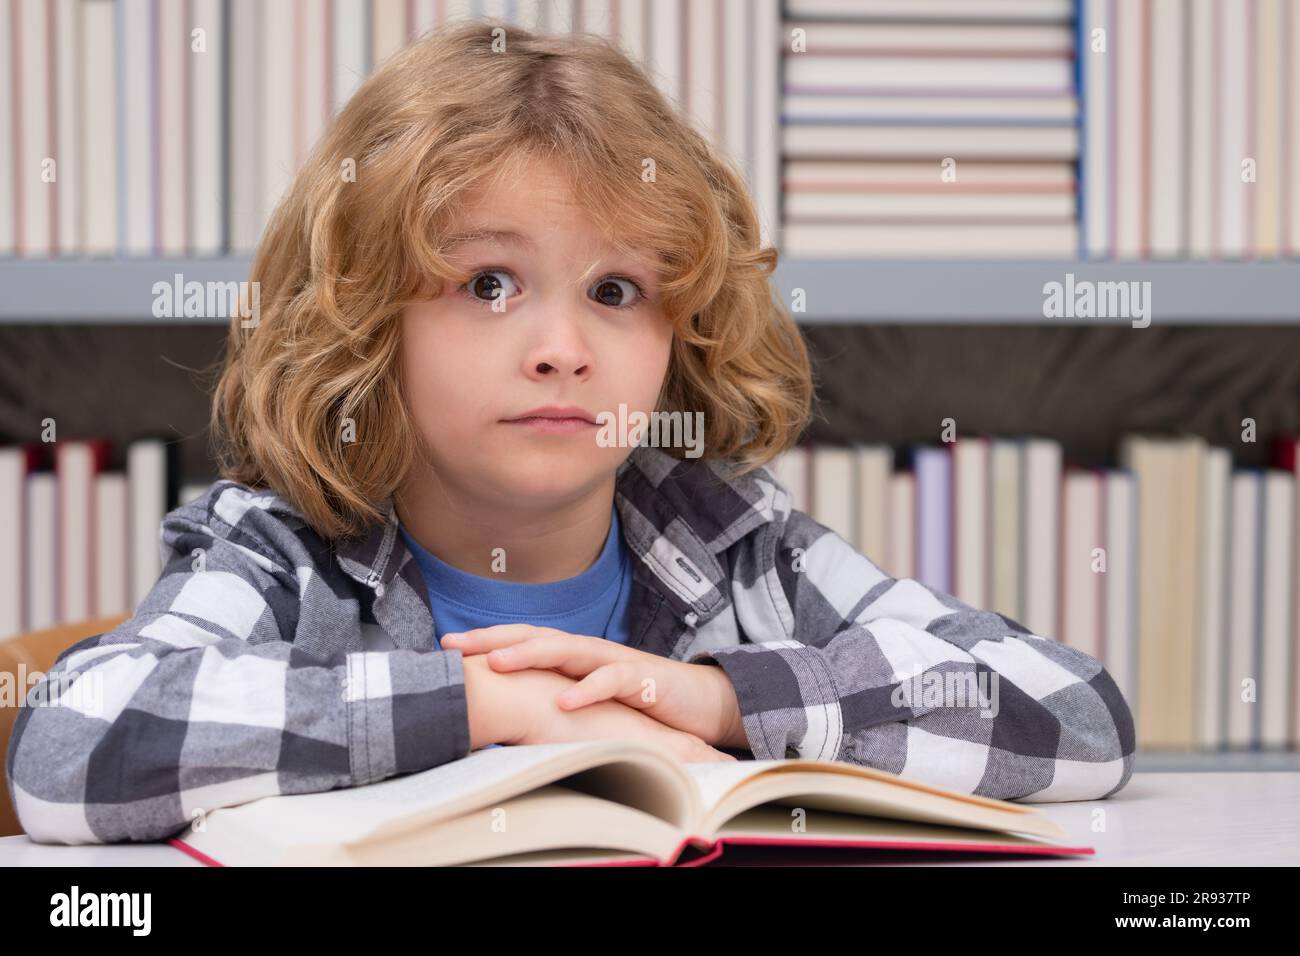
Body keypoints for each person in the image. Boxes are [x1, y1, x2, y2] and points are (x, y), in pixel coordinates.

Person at [6, 21, 1134, 845]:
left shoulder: (735, 543)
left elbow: (1078, 713)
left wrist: (725, 698)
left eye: (614, 290)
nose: (561, 347)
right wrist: (482, 706)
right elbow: (67, 748)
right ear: (364, 318)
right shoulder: (284, 550)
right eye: (486, 281)